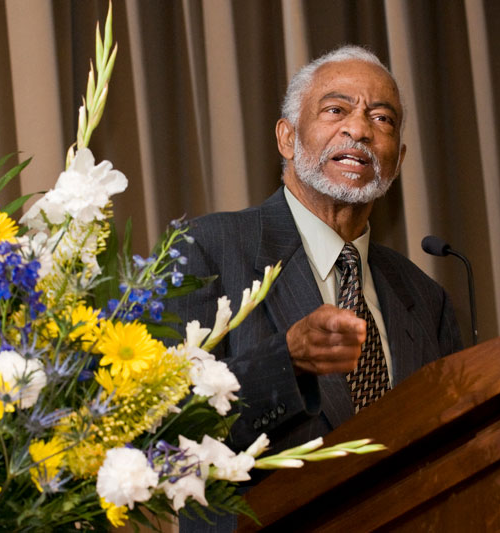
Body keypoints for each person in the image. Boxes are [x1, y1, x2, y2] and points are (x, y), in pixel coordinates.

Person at [174, 45, 463, 531]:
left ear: (399, 157)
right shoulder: (208, 248)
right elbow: (172, 426)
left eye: (382, 119)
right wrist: (285, 362)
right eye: (336, 110)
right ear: (287, 138)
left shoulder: (425, 298)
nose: (360, 130)